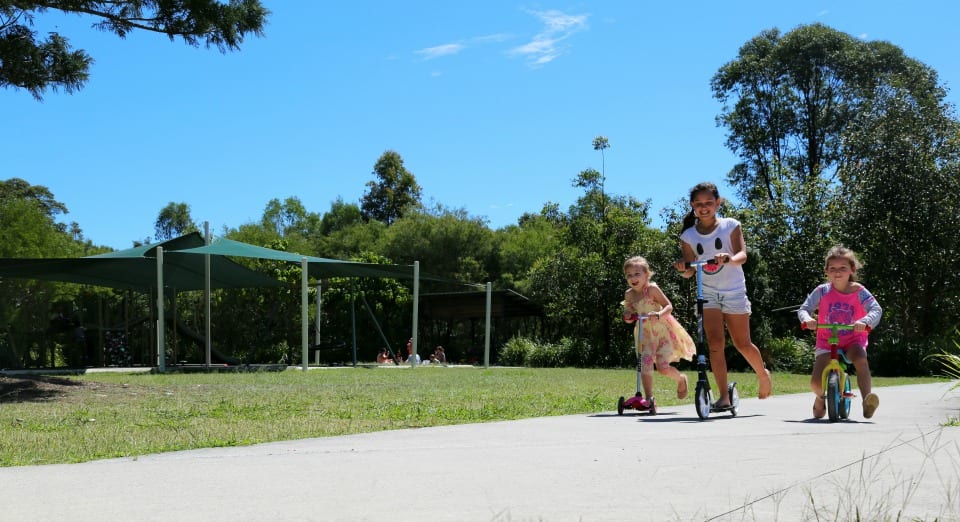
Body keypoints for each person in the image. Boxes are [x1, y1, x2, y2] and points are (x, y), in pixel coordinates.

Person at [672, 181, 772, 408]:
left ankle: (763, 374)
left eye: (709, 202)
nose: (704, 207)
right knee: (715, 344)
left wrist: (728, 257)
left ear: (718, 203)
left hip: (734, 290)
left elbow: (742, 256)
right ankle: (724, 397)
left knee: (742, 343)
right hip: (707, 292)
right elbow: (690, 270)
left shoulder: (730, 225)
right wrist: (683, 268)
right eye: (699, 204)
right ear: (692, 206)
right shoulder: (688, 236)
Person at [797, 245, 882, 419]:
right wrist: (807, 319)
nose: (837, 272)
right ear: (827, 271)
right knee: (815, 383)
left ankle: (867, 399)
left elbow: (875, 309)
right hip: (827, 339)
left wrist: (865, 321)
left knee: (860, 358)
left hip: (853, 337)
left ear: (852, 269)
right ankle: (821, 398)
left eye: (843, 268)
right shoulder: (822, 291)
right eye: (833, 269)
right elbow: (804, 308)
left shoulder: (859, 291)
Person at [621, 256, 695, 401]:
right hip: (645, 334)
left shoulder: (652, 289)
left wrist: (659, 314)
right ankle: (649, 398)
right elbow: (628, 314)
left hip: (662, 333)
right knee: (645, 364)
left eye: (637, 274)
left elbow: (669, 306)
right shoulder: (629, 294)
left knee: (663, 368)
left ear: (646, 275)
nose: (633, 278)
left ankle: (681, 379)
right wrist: (627, 315)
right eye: (629, 275)